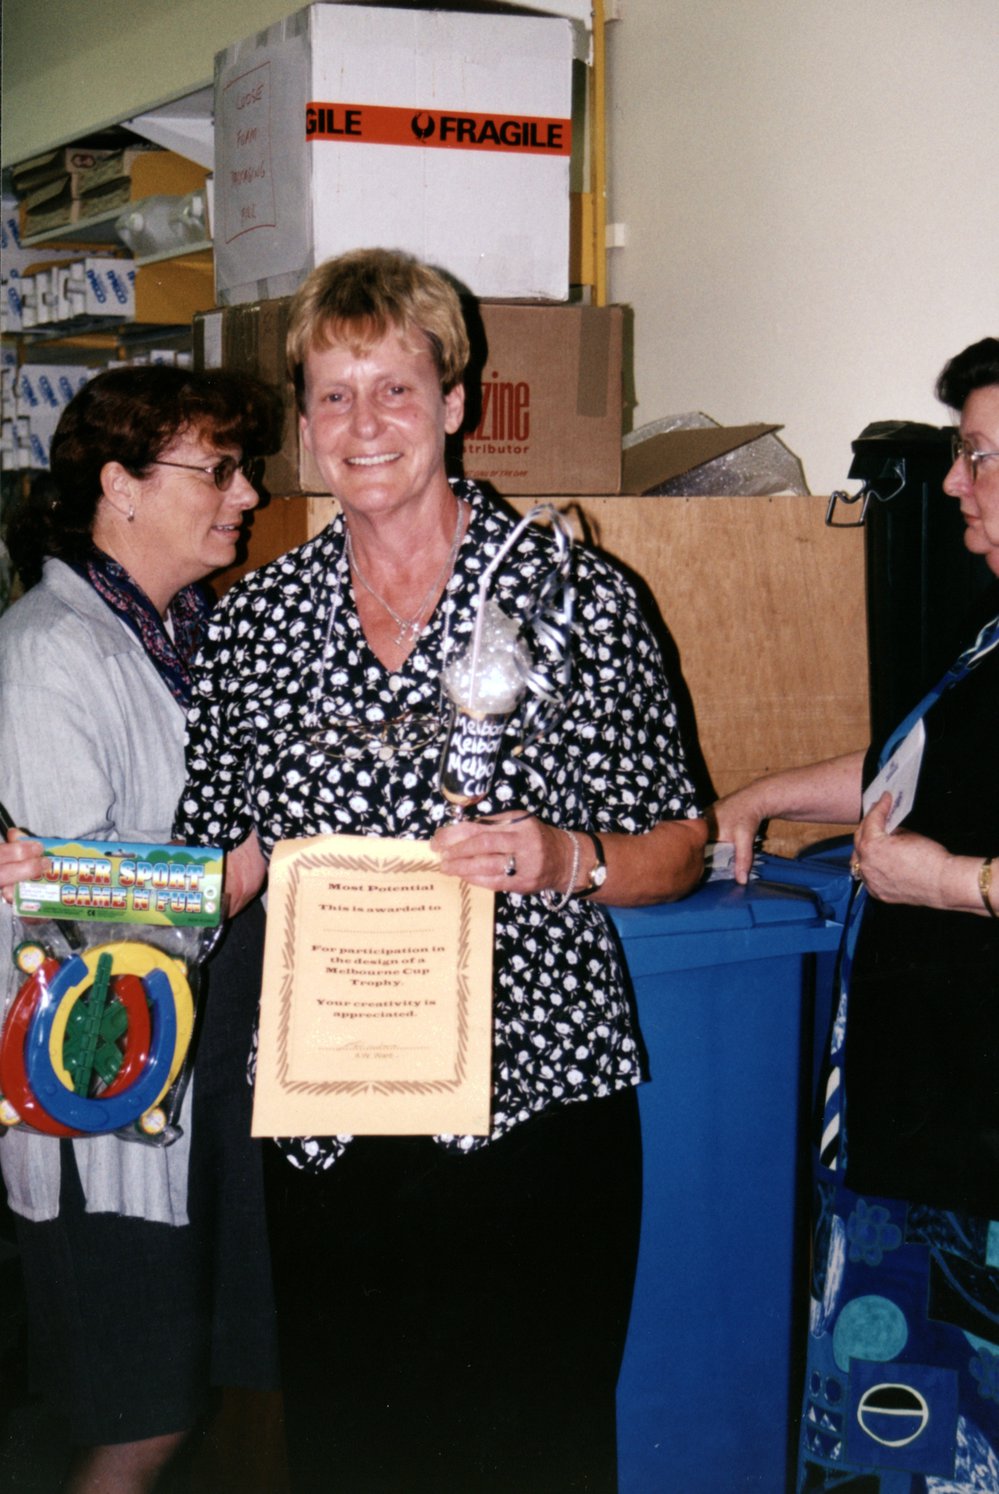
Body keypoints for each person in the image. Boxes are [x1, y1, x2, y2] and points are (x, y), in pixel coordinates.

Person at [173, 246, 708, 1494]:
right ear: (304, 424)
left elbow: (677, 842)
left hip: (533, 1118)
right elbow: (220, 867)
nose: (365, 426)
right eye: (333, 396)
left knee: (531, 1455)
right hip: (332, 1124)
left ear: (457, 402)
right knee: (358, 1455)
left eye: (396, 389)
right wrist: (71, 889)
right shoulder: (257, 623)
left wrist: (563, 856)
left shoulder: (573, 595)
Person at [712, 337, 999, 1492]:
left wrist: (957, 884)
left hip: (978, 1177)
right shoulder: (989, 638)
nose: (950, 482)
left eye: (976, 455)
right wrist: (766, 793)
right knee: (892, 1444)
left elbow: (944, 853)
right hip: (918, 1146)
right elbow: (905, 771)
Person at [0, 365, 283, 1493]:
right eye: (218, 469)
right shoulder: (46, 652)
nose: (248, 493)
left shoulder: (187, 631)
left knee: (187, 1390)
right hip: (103, 1096)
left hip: (205, 1073)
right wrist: (259, 859)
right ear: (119, 485)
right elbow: (81, 899)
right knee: (141, 1416)